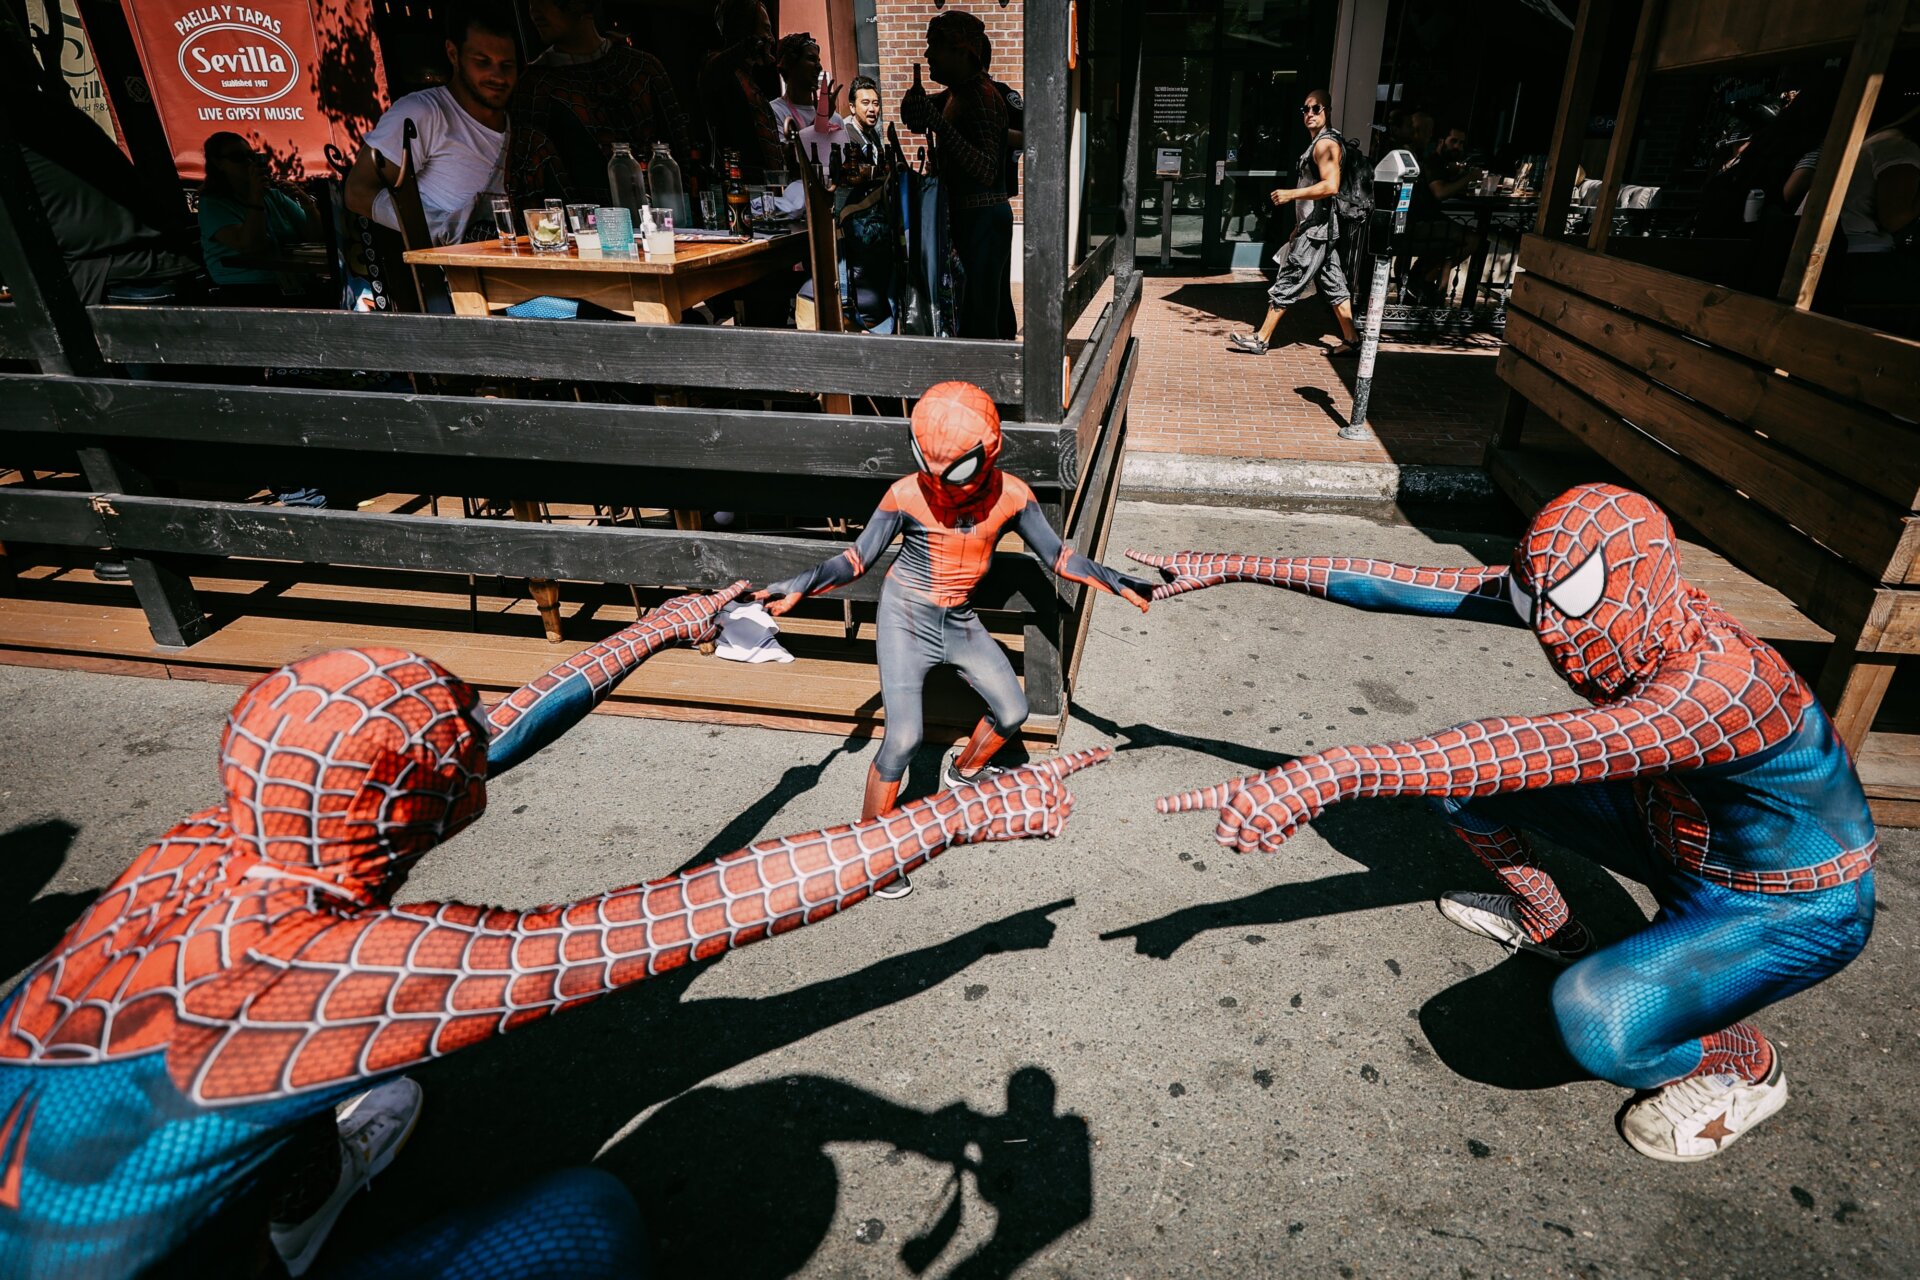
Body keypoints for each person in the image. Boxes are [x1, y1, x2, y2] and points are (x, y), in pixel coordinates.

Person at [0, 580, 1109, 1276]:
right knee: (583, 1217)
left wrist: (659, 628)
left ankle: (298, 1192)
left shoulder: (202, 846)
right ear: (414, 806)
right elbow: (700, 908)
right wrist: (962, 808)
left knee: (280, 1103)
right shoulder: (337, 970)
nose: (474, 757)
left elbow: (476, 738)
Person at [1135, 481, 1877, 1162]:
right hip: (1670, 829)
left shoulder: (1721, 685)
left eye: (1571, 600)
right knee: (1460, 788)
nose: (1551, 632)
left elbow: (1542, 748)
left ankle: (1744, 1065)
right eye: (1533, 603)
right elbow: (1405, 586)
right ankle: (1556, 929)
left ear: (1639, 578)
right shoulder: (1605, 607)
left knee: (1597, 1021)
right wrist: (1228, 563)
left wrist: (1334, 771)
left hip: (1792, 903)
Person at [753, 382, 1154, 897]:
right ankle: (868, 853)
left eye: (957, 470)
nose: (942, 483)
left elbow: (1059, 557)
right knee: (902, 739)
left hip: (958, 620)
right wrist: (801, 585)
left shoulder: (1013, 496)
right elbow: (856, 559)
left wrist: (1115, 580)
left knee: (1013, 710)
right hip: (905, 618)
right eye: (928, 464)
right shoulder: (905, 494)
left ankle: (963, 772)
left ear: (989, 454)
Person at [345, 1, 517, 246]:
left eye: (507, 65)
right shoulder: (422, 113)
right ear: (453, 54)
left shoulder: (522, 124)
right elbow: (358, 191)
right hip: (453, 278)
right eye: (482, 61)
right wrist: (441, 228)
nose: (497, 76)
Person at [507, 0, 692, 208]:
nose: (534, 11)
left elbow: (682, 155)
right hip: (586, 228)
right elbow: (535, 178)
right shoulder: (535, 86)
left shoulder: (642, 68)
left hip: (666, 219)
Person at [901, 10, 1015, 340]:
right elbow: (915, 117)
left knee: (981, 312)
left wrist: (940, 126)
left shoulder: (981, 97)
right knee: (980, 306)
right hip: (974, 218)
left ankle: (986, 380)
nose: (928, 54)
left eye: (935, 45)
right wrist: (916, 106)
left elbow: (986, 167)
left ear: (961, 51)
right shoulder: (958, 93)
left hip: (983, 217)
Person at [1226, 88, 1360, 357]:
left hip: (1318, 231)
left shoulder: (1325, 145)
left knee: (1289, 278)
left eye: (1316, 109)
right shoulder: (1321, 142)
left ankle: (1261, 339)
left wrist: (1291, 194)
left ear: (1328, 111)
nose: (1309, 114)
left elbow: (1330, 186)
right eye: (1306, 109)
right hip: (1319, 228)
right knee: (1334, 284)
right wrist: (1299, 224)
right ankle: (1352, 339)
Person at [197, 133, 321, 305]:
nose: (249, 163)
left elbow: (316, 237)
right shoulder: (213, 204)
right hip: (246, 289)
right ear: (218, 163)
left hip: (294, 281)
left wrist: (307, 204)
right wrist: (255, 197)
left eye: (252, 156)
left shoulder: (273, 195)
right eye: (238, 157)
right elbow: (251, 245)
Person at [699, 0, 784, 177]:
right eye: (766, 29)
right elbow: (717, 68)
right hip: (737, 184)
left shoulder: (748, 78)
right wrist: (749, 45)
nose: (772, 38)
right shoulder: (718, 69)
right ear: (745, 29)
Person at [1404, 122, 1482, 303]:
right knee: (1472, 240)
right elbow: (1440, 192)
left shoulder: (1442, 164)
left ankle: (1425, 277)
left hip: (1428, 219)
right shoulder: (1432, 162)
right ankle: (1425, 278)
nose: (1457, 146)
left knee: (1459, 240)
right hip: (1419, 222)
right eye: (1453, 141)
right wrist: (1469, 177)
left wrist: (1456, 174)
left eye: (1461, 144)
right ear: (1441, 141)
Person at [847, 75, 886, 154]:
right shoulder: (847, 136)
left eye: (875, 103)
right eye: (865, 103)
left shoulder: (872, 133)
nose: (872, 109)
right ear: (852, 107)